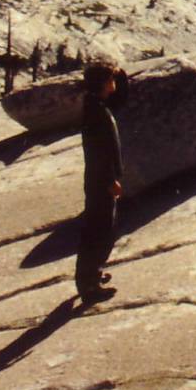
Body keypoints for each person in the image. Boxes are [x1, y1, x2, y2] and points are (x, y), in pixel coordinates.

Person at [76, 63, 126, 305]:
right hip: (101, 180)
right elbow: (99, 152)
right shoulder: (97, 112)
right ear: (103, 83)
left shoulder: (94, 105)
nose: (113, 83)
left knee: (96, 229)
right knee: (100, 231)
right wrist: (110, 181)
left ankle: (89, 276)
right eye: (110, 79)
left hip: (98, 178)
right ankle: (89, 285)